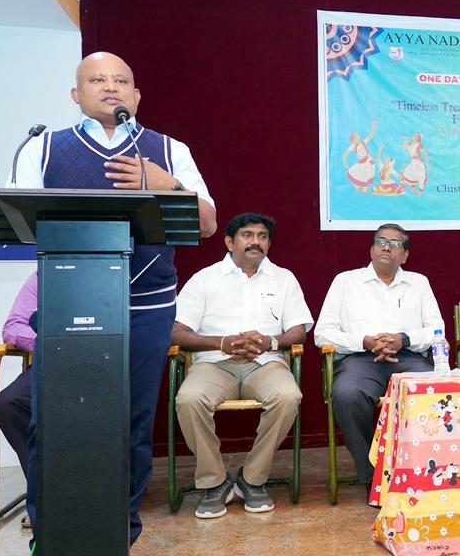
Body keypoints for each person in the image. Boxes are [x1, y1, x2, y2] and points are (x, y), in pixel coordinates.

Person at [9, 51, 217, 545]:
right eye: (96, 79)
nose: (110, 87)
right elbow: (20, 223)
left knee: (132, 421)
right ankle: (53, 540)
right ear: (75, 95)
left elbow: (207, 224)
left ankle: (116, 535)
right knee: (57, 420)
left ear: (137, 95)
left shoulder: (170, 151)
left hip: (147, 307)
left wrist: (169, 186)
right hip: (70, 303)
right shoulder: (43, 149)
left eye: (121, 80)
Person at [171, 213, 312, 518]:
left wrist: (269, 343)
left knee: (288, 397)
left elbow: (299, 330)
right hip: (214, 363)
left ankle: (252, 479)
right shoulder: (205, 279)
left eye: (262, 236)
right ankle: (215, 482)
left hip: (265, 363)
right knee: (189, 399)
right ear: (229, 241)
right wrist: (222, 343)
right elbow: (177, 332)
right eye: (247, 235)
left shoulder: (283, 278)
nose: (255, 242)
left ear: (269, 244)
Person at [314, 223, 443, 488]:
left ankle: (425, 470)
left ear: (405, 255)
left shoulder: (419, 283)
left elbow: (437, 332)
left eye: (395, 244)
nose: (386, 247)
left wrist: (403, 339)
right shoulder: (345, 281)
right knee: (347, 395)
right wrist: (364, 341)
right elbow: (322, 333)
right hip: (359, 359)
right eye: (381, 241)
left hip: (409, 358)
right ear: (371, 249)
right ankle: (374, 476)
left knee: (438, 393)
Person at [0, 272, 37, 480]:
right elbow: (13, 326)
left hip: (106, 365)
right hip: (51, 365)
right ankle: (43, 486)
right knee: (8, 403)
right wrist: (46, 339)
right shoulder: (43, 274)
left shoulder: (121, 270)